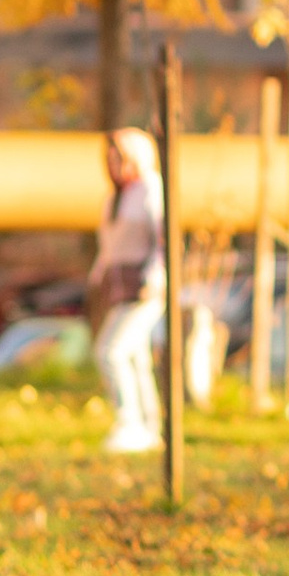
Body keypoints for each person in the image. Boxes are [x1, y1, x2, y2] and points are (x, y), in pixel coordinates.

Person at [90, 128, 165, 455]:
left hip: (145, 285)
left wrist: (155, 276)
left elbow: (162, 239)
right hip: (119, 283)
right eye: (110, 158)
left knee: (111, 351)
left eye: (119, 157)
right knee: (134, 357)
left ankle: (129, 422)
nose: (114, 164)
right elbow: (110, 245)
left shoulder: (150, 189)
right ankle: (149, 427)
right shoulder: (115, 196)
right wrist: (97, 277)